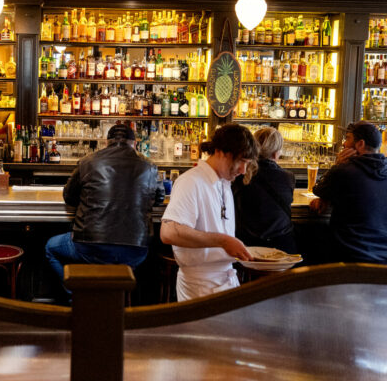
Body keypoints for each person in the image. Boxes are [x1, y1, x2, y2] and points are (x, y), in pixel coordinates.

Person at [45, 123, 162, 286]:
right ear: (134, 144)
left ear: (107, 142)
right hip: (135, 249)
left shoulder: (88, 161)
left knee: (51, 248)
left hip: (92, 246)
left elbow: (69, 197)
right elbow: (159, 199)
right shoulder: (150, 167)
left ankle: (78, 298)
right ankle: (118, 302)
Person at [160, 124, 257, 301]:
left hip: (225, 279)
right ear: (221, 152)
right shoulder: (191, 181)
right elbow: (169, 232)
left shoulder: (224, 183)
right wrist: (223, 241)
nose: (243, 170)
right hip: (199, 286)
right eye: (242, 161)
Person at [309, 122, 387, 266]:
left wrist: (337, 164)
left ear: (360, 144)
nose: (343, 144)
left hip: (355, 256)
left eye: (348, 139)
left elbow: (318, 189)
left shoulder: (344, 171)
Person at [231, 127, 297, 253]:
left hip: (247, 247)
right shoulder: (287, 177)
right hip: (282, 247)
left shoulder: (241, 174)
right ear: (276, 153)